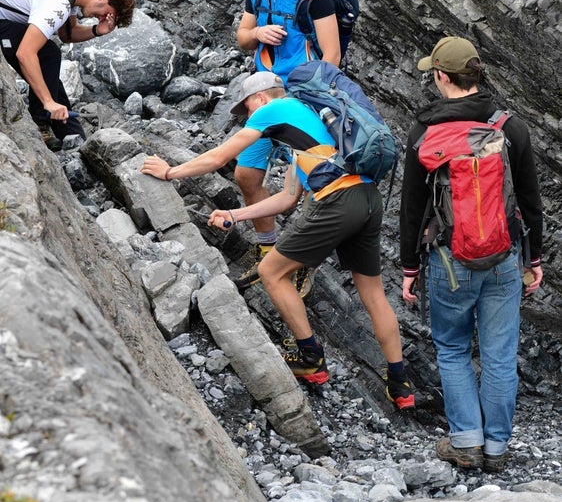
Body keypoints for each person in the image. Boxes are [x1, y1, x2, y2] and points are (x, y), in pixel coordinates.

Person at [141, 69, 414, 406]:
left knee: (271, 272)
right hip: (368, 200)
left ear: (260, 98)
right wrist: (234, 215)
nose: (249, 119)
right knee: (373, 295)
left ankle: (310, 359)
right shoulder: (308, 132)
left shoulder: (274, 108)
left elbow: (219, 157)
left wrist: (170, 172)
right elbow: (287, 198)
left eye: (248, 111)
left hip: (338, 200)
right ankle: (400, 387)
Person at [400, 36, 543, 472]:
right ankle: (496, 448)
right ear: (476, 74)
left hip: (449, 261)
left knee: (453, 349)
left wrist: (409, 267)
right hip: (503, 258)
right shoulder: (509, 126)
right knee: (500, 354)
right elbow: (531, 201)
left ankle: (466, 442)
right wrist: (533, 261)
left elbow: (410, 208)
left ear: (441, 75)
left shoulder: (425, 132)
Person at [234, 0, 341, 291]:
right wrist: (257, 34)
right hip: (265, 94)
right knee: (246, 175)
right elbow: (242, 36)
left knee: (311, 185)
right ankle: (267, 248)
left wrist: (317, 103)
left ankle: (301, 261)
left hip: (302, 96)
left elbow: (332, 56)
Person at [0, 0, 135, 149]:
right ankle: (41, 121)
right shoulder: (58, 4)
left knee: (49, 72)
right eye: (107, 14)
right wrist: (48, 102)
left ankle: (73, 137)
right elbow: (25, 53)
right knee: (49, 54)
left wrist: (97, 30)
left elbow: (67, 34)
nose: (100, 18)